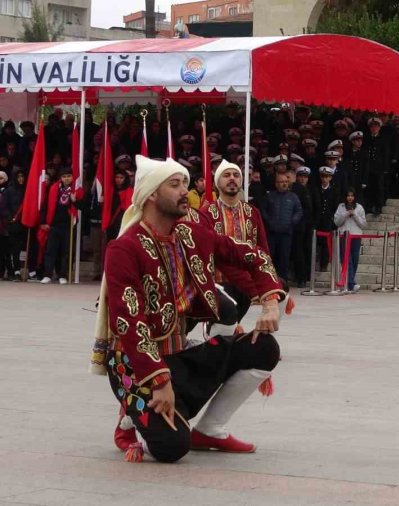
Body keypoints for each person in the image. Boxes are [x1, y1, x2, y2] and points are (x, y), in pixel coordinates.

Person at [89, 155, 285, 463]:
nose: (186, 191)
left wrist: (270, 303)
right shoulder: (125, 249)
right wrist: (159, 381)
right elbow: (130, 323)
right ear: (151, 194)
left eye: (185, 183)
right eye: (175, 184)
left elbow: (252, 255)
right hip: (137, 366)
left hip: (181, 355)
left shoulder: (193, 235)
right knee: (171, 448)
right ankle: (132, 415)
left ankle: (211, 429)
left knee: (264, 348)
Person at [199, 161, 273, 337]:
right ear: (218, 182)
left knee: (281, 291)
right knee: (227, 319)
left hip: (247, 281)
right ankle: (218, 339)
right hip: (218, 282)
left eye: (236, 175)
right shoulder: (206, 214)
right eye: (226, 175)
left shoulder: (252, 212)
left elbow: (262, 248)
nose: (232, 179)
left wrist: (269, 281)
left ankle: (263, 340)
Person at [40, 167, 77, 284]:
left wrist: (75, 201)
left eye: (69, 176)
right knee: (50, 250)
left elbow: (83, 206)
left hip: (68, 225)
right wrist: (43, 222)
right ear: (61, 178)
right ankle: (48, 274)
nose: (67, 179)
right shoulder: (53, 189)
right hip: (54, 225)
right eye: (64, 177)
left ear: (72, 177)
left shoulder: (76, 190)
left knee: (65, 251)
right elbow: (45, 206)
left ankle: (62, 275)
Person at [263, 172, 302, 280]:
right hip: (272, 233)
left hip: (286, 233)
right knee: (270, 257)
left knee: (284, 258)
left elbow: (299, 212)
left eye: (286, 182)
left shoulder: (293, 197)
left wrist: (291, 222)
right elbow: (264, 211)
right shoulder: (270, 196)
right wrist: (269, 222)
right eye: (281, 182)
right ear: (276, 183)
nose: (284, 184)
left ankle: (283, 281)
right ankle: (270, 280)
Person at [333, 188, 367, 291]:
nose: (350, 198)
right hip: (344, 236)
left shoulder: (359, 207)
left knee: (355, 259)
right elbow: (337, 222)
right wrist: (346, 214)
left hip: (356, 236)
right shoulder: (341, 207)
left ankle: (349, 281)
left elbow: (363, 224)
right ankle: (351, 284)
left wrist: (354, 214)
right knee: (347, 260)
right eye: (348, 196)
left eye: (352, 196)